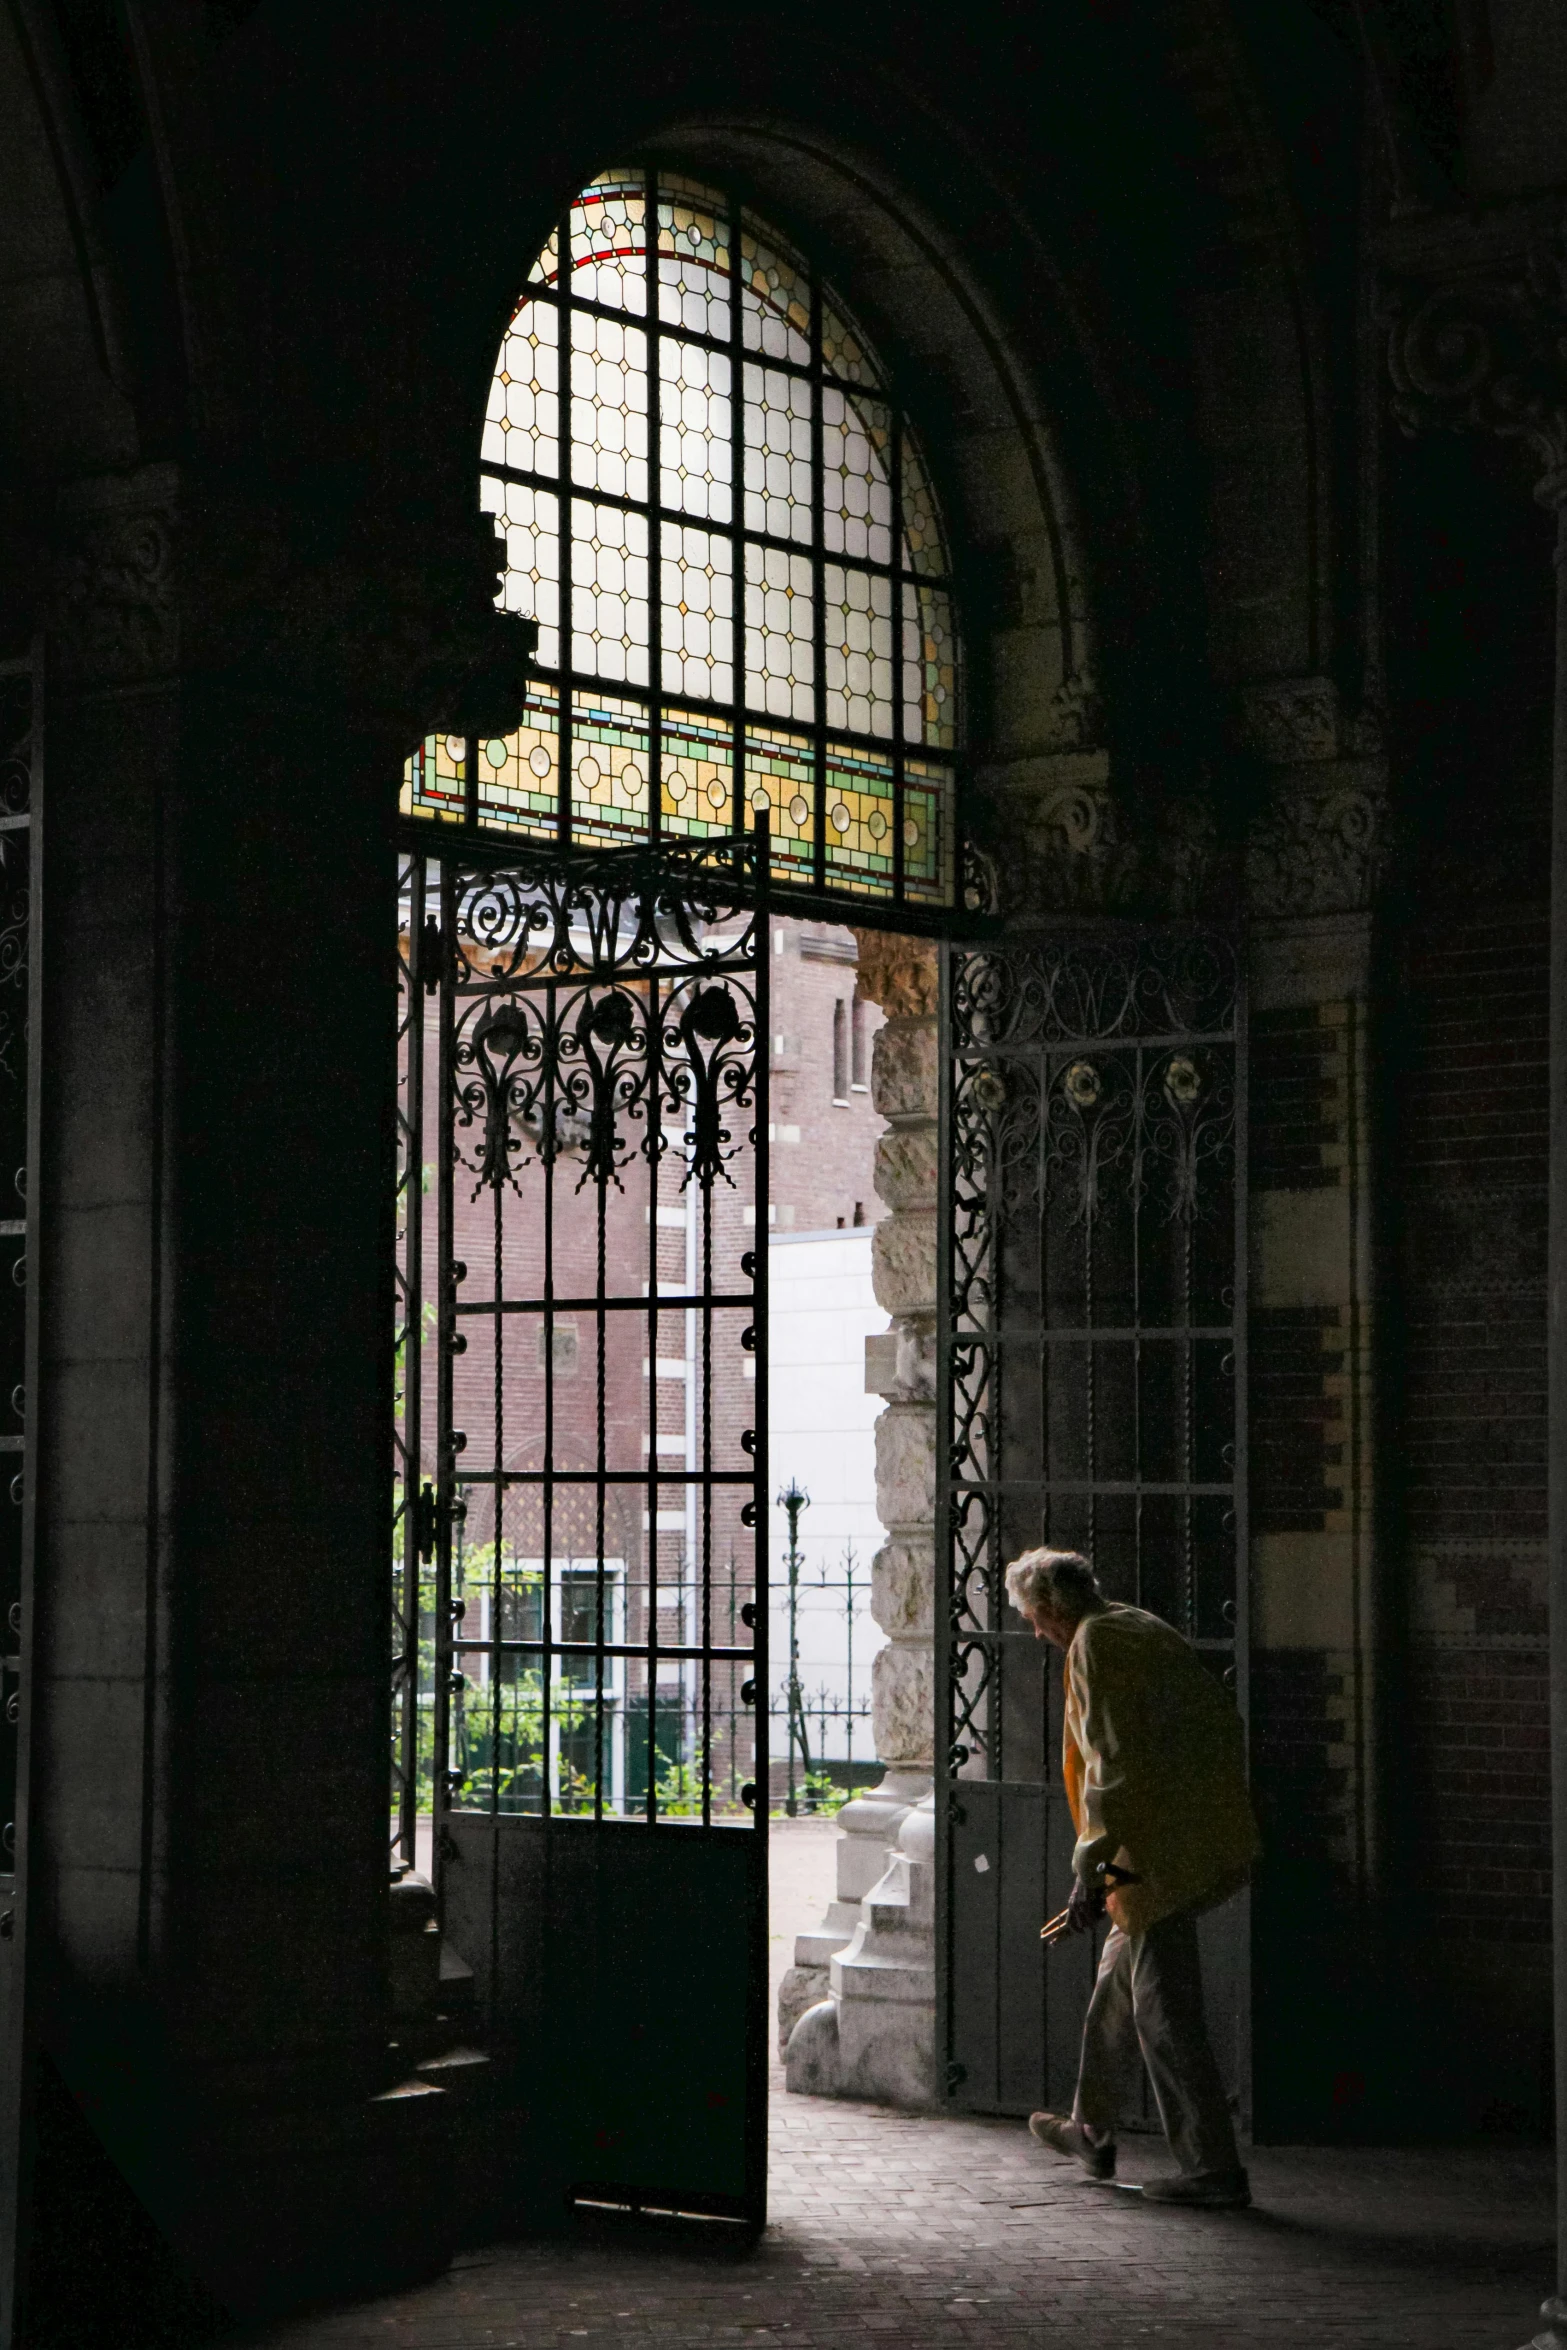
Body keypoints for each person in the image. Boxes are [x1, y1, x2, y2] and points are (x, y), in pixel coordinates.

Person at [1005, 1545, 1260, 2210]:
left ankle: (1212, 2168)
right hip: (1180, 1837)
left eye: (1034, 1618)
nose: (1035, 1632)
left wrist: (1092, 1872)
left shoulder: (1095, 1645)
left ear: (1054, 1609)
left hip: (1156, 1854)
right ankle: (1088, 2128)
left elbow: (1115, 1768)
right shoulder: (1134, 1624)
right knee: (1116, 1993)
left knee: (1163, 2013)